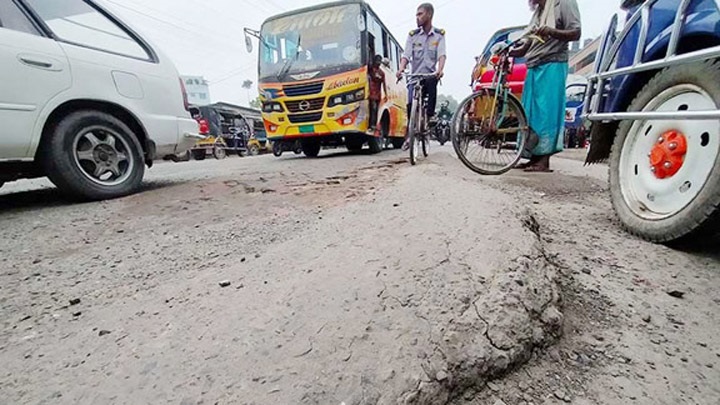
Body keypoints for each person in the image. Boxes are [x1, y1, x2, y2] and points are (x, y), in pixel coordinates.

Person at [511, 0, 581, 172]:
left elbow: (576, 32)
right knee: (530, 114)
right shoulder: (539, 12)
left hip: (552, 63)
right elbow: (528, 44)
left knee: (546, 113)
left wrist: (552, 31)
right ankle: (533, 158)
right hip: (534, 64)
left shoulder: (563, 3)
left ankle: (543, 161)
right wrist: (513, 50)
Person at [397, 3, 447, 147]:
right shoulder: (412, 36)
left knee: (432, 89)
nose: (417, 17)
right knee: (410, 103)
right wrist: (401, 69)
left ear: (429, 15)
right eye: (416, 15)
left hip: (430, 75)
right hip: (415, 76)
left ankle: (429, 116)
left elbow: (442, 54)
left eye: (420, 14)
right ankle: (410, 134)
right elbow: (406, 55)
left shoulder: (439, 35)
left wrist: (440, 70)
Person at [368, 55, 387, 135]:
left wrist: (386, 94)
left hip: (377, 95)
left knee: (376, 110)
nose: (378, 63)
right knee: (373, 108)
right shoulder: (370, 69)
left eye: (380, 61)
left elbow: (384, 84)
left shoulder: (381, 73)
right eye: (377, 61)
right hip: (370, 93)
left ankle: (374, 125)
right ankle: (371, 125)